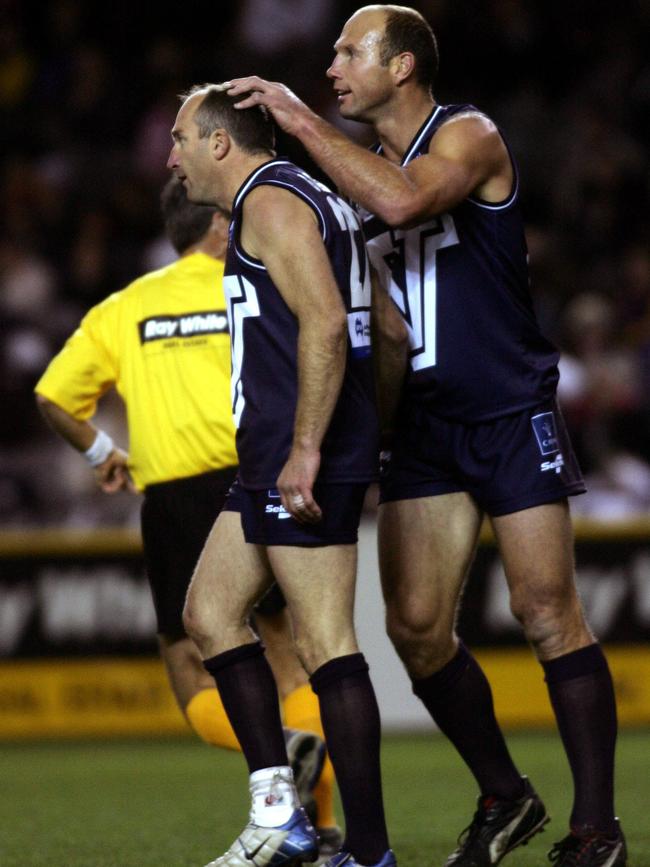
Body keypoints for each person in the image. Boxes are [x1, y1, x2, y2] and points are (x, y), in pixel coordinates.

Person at [224, 6, 626, 867]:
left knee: (546, 611)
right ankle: (505, 792)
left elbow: (404, 198)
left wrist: (295, 119)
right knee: (414, 627)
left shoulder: (468, 134)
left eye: (348, 51)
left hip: (507, 408)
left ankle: (597, 826)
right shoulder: (353, 169)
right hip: (425, 426)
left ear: (402, 66)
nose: (331, 65)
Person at [34, 177, 343, 861]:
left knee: (191, 667)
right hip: (254, 478)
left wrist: (100, 451)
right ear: (218, 229)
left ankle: (277, 751)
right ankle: (318, 824)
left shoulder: (125, 306)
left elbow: (53, 395)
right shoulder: (251, 287)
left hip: (174, 496)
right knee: (290, 655)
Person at [167, 83, 396, 867]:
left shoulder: (270, 202)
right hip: (278, 450)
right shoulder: (307, 196)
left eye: (181, 138)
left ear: (221, 143)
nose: (172, 156)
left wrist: (310, 448)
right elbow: (383, 327)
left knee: (327, 642)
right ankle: (281, 812)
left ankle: (367, 852)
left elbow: (329, 321)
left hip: (300, 453)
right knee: (209, 612)